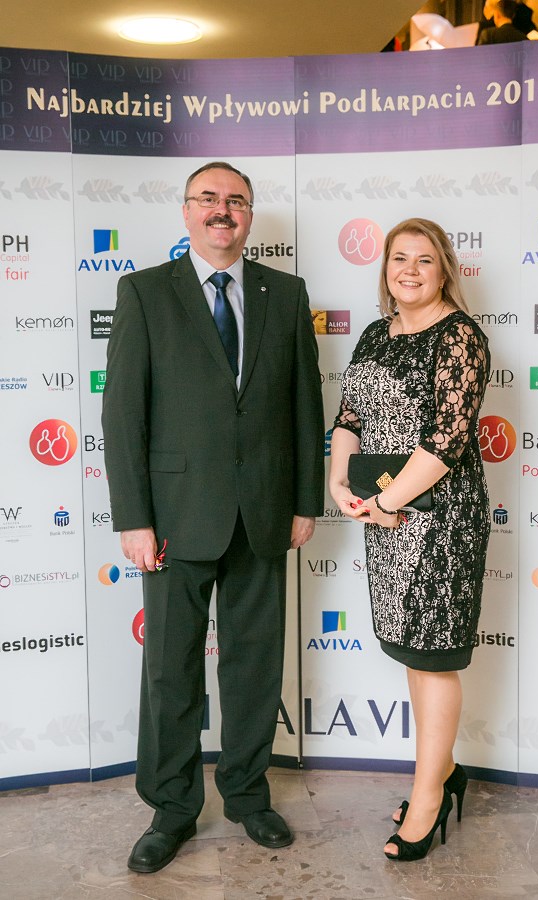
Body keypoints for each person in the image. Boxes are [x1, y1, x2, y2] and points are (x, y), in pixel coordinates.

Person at [102, 161, 324, 873]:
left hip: (263, 512)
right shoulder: (143, 292)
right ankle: (171, 808)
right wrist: (133, 518)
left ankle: (248, 795)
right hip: (172, 517)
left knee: (255, 665)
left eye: (236, 200)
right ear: (187, 211)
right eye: (208, 198)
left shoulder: (285, 294)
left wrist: (304, 502)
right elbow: (123, 415)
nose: (222, 210)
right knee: (171, 669)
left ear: (250, 216)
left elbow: (305, 406)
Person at [329, 218, 490, 861]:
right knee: (413, 657)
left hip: (441, 520)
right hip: (385, 519)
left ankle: (427, 801)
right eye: (400, 258)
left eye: (424, 259)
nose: (410, 270)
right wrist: (340, 481)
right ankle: (442, 775)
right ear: (386, 269)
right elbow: (350, 416)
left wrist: (386, 502)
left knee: (436, 658)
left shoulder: (461, 337)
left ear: (444, 269)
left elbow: (447, 441)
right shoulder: (376, 333)